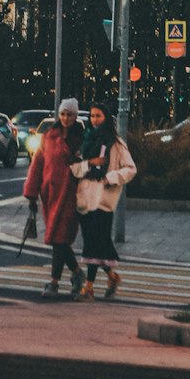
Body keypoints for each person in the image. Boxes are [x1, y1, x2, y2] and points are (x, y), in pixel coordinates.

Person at [70, 100, 136, 300]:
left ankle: (89, 287)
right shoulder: (86, 141)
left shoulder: (115, 143)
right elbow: (74, 168)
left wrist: (111, 177)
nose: (95, 120)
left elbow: (130, 168)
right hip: (86, 197)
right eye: (92, 116)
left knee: (93, 242)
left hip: (104, 198)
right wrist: (90, 163)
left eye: (98, 116)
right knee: (100, 242)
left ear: (106, 118)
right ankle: (112, 276)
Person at [23, 97, 85, 300]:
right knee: (59, 239)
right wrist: (31, 193)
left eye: (70, 115)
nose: (66, 118)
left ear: (76, 116)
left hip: (71, 194)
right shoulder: (49, 136)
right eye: (63, 114)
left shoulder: (82, 139)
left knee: (59, 237)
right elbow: (37, 165)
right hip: (49, 194)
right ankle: (76, 273)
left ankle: (54, 282)